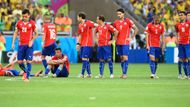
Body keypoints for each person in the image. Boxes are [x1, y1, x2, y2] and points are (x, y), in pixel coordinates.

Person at [11, 9, 38, 82]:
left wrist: (32, 41)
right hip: (21, 45)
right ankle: (26, 72)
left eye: (25, 16)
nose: (24, 18)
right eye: (23, 16)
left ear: (29, 15)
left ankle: (27, 77)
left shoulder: (32, 23)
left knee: (29, 61)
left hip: (29, 45)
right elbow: (15, 33)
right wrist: (13, 43)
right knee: (20, 62)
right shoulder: (19, 23)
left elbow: (37, 33)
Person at [113, 8, 138, 79]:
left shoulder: (128, 21)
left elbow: (136, 29)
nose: (118, 15)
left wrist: (131, 38)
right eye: (117, 14)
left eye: (120, 14)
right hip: (118, 43)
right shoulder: (116, 22)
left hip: (125, 42)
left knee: (125, 57)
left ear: (123, 14)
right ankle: (123, 72)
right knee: (121, 58)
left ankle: (124, 74)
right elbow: (113, 31)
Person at [76, 12, 96, 78]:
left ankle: (82, 74)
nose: (77, 18)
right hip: (83, 44)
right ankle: (89, 74)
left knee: (84, 58)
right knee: (86, 59)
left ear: (81, 17)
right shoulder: (79, 25)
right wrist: (78, 43)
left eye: (78, 17)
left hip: (88, 43)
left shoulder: (88, 22)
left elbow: (96, 25)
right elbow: (80, 35)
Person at [176, 11, 190, 79]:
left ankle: (189, 74)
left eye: (181, 15)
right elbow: (177, 33)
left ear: (185, 16)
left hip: (187, 43)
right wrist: (177, 39)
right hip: (181, 44)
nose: (180, 16)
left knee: (189, 58)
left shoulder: (189, 23)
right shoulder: (178, 24)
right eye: (179, 15)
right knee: (183, 59)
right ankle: (186, 75)